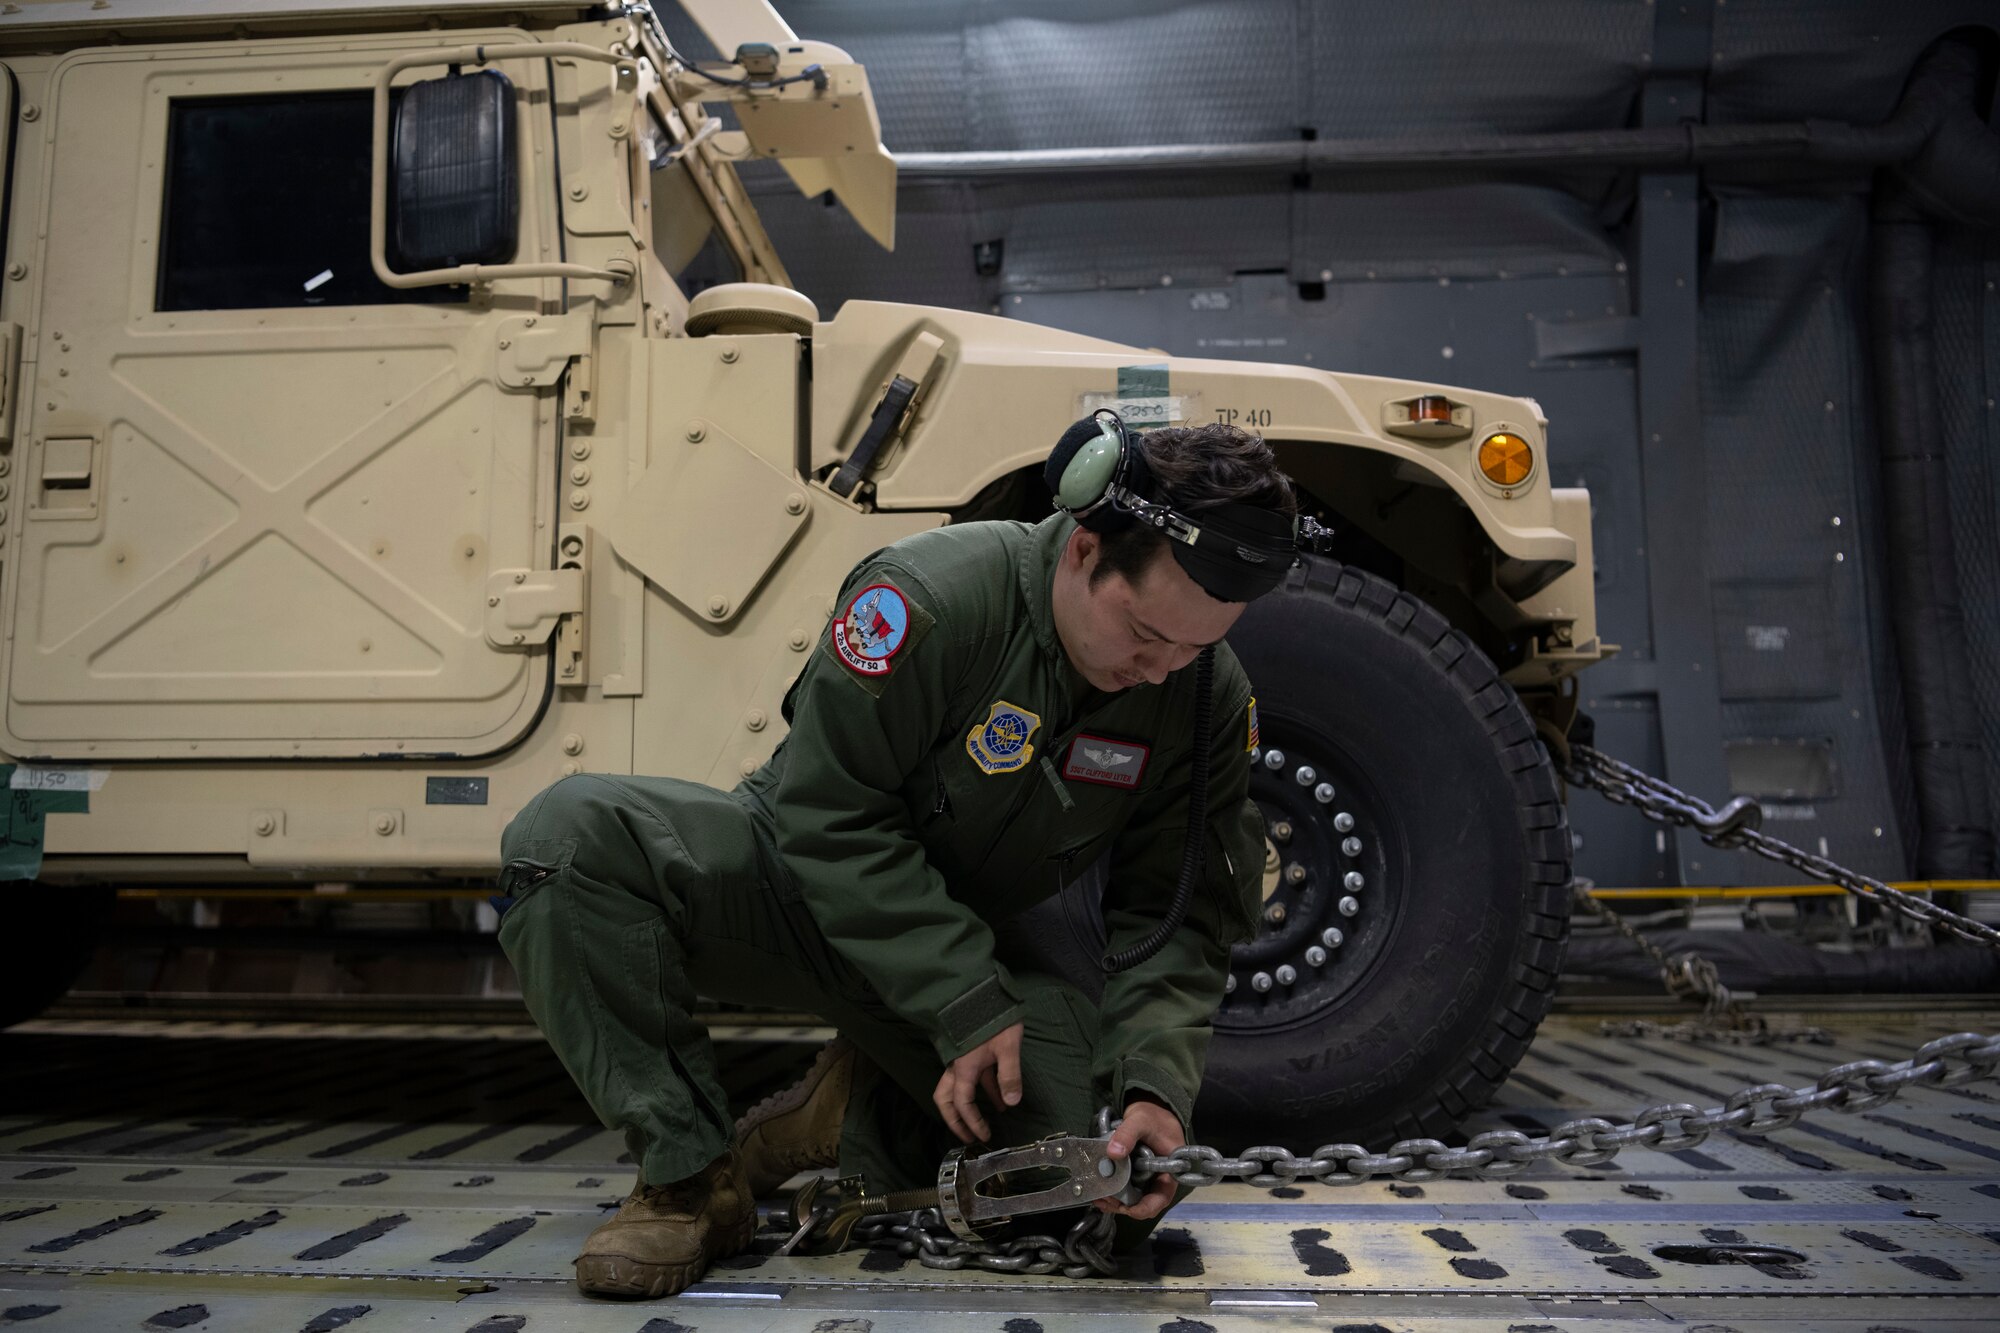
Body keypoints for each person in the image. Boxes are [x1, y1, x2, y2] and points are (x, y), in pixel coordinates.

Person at [495, 414, 1303, 1298]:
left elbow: (1174, 917)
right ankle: (690, 1179)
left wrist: (1154, 1089)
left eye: (1197, 644)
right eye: (1148, 634)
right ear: (1082, 550)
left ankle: (848, 1116)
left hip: (979, 954)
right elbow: (828, 811)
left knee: (1069, 1177)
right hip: (796, 884)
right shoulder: (929, 597)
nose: (1162, 668)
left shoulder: (1200, 695)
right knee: (566, 844)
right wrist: (958, 994)